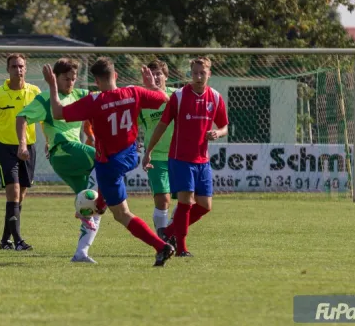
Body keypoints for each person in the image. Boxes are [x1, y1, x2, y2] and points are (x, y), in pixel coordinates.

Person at [42, 57, 175, 267]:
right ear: (115, 75)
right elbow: (163, 98)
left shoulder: (94, 101)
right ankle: (98, 205)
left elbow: (57, 112)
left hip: (109, 164)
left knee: (122, 215)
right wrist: (150, 85)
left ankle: (161, 246)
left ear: (96, 80)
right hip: (130, 156)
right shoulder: (133, 92)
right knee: (102, 195)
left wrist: (52, 86)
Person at [16, 58, 107, 263]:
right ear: (55, 78)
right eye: (66, 79)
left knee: (93, 206)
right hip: (63, 151)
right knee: (106, 159)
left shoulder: (79, 95)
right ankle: (91, 205)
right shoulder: (46, 99)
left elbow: (104, 100)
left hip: (70, 160)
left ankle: (81, 253)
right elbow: (21, 117)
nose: (70, 83)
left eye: (73, 79)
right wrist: (22, 145)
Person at [142, 57, 229, 257]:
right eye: (195, 73)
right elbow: (162, 125)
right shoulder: (180, 96)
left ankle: (169, 231)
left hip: (203, 160)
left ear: (209, 74)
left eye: (202, 73)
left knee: (205, 206)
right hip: (180, 159)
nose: (198, 77)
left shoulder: (215, 97)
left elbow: (224, 126)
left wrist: (218, 133)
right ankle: (181, 248)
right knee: (185, 203)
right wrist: (149, 151)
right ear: (190, 74)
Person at [0, 53, 41, 251]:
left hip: (29, 148)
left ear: (26, 68)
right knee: (13, 191)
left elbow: (45, 120)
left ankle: (5, 240)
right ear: (8, 70)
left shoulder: (35, 92)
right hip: (5, 148)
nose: (18, 70)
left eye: (21, 66)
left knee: (20, 196)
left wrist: (50, 141)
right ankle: (19, 241)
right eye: (14, 66)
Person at [137, 60, 177, 240]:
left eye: (159, 73)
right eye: (151, 74)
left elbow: (173, 106)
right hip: (156, 156)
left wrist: (154, 89)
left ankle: (171, 228)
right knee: (163, 200)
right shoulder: (142, 101)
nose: (155, 77)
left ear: (166, 76)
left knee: (190, 201)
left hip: (180, 155)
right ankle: (163, 240)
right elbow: (133, 125)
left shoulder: (177, 95)